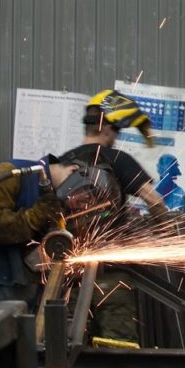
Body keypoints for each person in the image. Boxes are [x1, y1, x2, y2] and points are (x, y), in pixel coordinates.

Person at [60, 89, 171, 344]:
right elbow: (154, 200)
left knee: (70, 348)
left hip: (70, 278)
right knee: (118, 348)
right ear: (107, 129)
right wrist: (166, 233)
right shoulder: (117, 159)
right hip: (111, 277)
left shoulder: (65, 162)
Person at [0, 156, 77, 314]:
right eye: (84, 192)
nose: (81, 202)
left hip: (24, 298)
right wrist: (32, 218)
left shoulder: (58, 198)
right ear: (73, 171)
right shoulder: (14, 173)